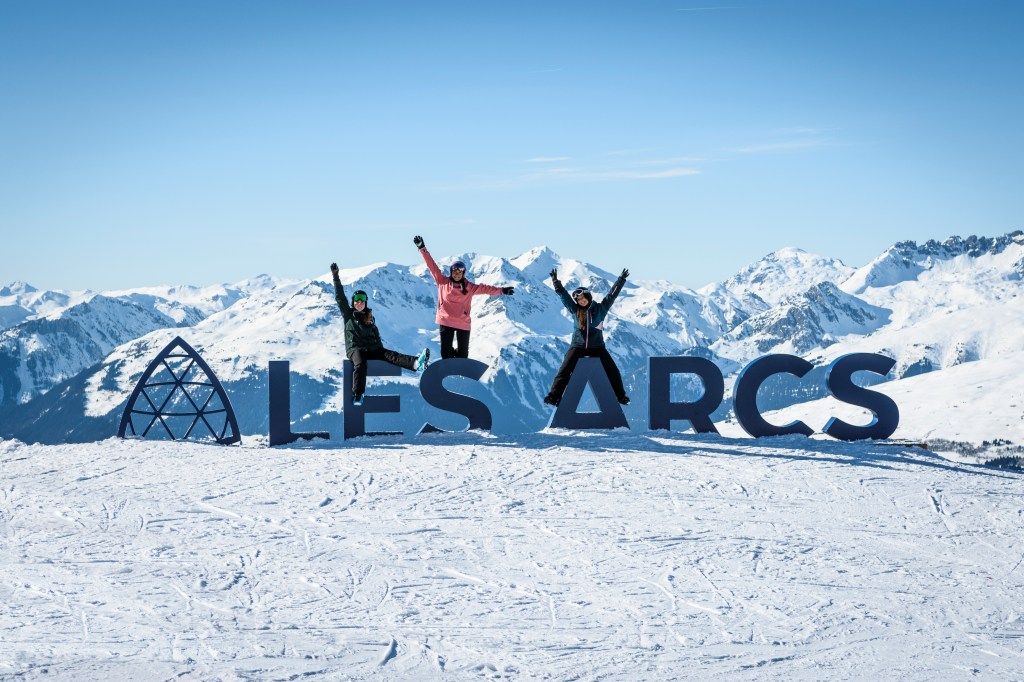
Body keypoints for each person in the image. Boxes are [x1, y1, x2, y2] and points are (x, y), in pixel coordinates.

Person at [331, 262, 429, 405]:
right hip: (355, 349)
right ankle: (358, 395)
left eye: (362, 300)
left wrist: (381, 351)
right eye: (357, 300)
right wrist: (335, 277)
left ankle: (415, 363)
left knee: (391, 355)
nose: (359, 303)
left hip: (371, 349)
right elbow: (340, 298)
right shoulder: (348, 315)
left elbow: (375, 337)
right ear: (353, 303)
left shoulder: (369, 318)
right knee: (360, 364)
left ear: (366, 303)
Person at [413, 235, 515, 359]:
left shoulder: (469, 287)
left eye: (459, 272)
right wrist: (422, 248)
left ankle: (458, 359)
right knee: (446, 354)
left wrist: (503, 290)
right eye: (455, 271)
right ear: (451, 272)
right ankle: (450, 361)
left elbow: (486, 288)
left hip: (463, 322)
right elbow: (431, 266)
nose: (457, 274)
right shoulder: (442, 281)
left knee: (463, 356)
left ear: (463, 273)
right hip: (446, 321)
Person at [544, 267, 631, 406]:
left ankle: (621, 397)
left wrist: (621, 280)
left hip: (597, 347)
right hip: (578, 347)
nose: (581, 301)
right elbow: (564, 297)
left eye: (583, 298)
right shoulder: (575, 310)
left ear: (588, 297)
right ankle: (554, 396)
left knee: (613, 371)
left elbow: (612, 295)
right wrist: (556, 282)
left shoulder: (600, 309)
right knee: (564, 371)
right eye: (578, 299)